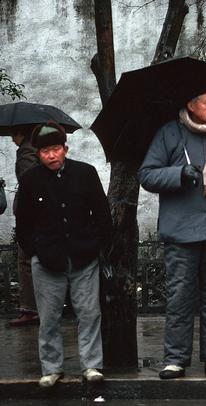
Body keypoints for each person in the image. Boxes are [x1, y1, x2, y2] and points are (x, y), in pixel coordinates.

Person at [138, 90, 206, 380]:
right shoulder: (169, 134)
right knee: (180, 297)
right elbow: (147, 174)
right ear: (190, 105)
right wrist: (178, 174)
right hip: (182, 232)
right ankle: (175, 359)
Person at [15, 122, 112, 388]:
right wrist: (36, 252)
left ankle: (91, 365)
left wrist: (94, 245)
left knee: (89, 313)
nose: (51, 155)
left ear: (65, 149)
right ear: (38, 154)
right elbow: (22, 224)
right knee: (48, 317)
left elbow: (102, 214)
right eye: (45, 151)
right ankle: (51, 368)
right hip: (47, 260)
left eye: (56, 149)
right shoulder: (30, 180)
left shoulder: (86, 173)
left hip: (83, 257)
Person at [8, 124, 40, 326]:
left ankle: (29, 310)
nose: (12, 139)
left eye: (14, 134)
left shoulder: (26, 150)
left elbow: (29, 180)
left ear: (21, 133)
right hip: (37, 212)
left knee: (25, 260)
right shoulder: (36, 146)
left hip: (31, 214)